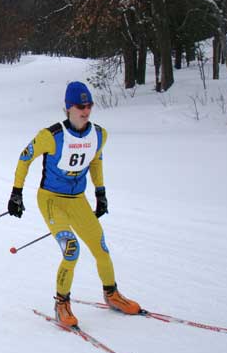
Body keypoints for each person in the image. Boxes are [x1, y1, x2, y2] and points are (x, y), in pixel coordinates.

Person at [7, 81, 140, 327]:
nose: (86, 110)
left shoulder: (99, 134)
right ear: (68, 108)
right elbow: (24, 158)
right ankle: (61, 303)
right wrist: (16, 193)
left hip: (78, 200)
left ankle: (112, 294)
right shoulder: (51, 136)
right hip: (51, 200)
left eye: (89, 105)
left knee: (101, 249)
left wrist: (100, 193)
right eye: (80, 106)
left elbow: (96, 161)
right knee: (71, 250)